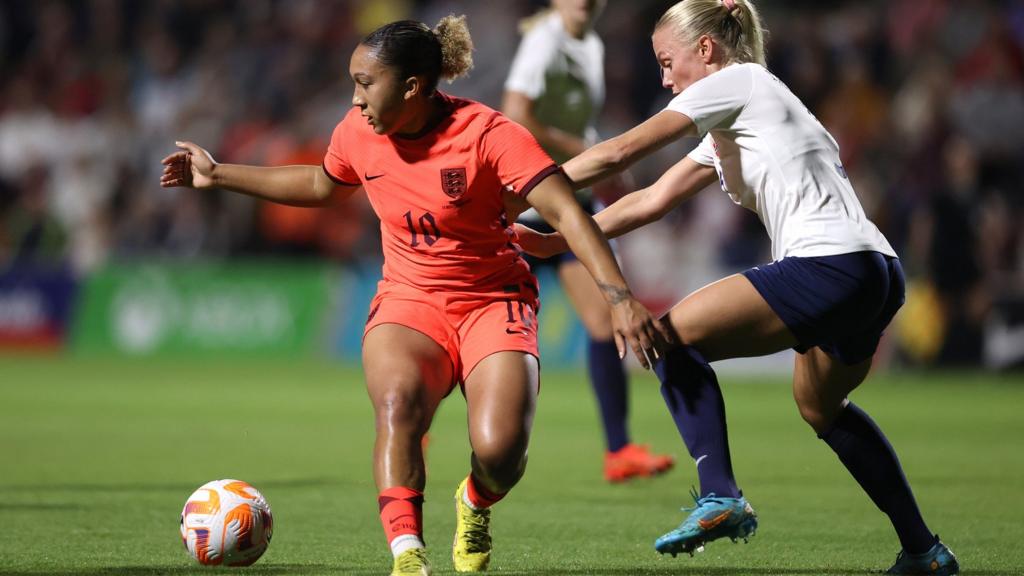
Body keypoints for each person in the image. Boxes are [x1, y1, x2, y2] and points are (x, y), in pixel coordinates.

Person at [160, 16, 668, 576]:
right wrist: (218, 175)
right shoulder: (358, 133)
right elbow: (320, 186)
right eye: (353, 83)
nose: (355, 99)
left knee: (500, 454)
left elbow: (568, 212)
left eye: (364, 83)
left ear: (413, 87)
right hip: (409, 298)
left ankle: (474, 501)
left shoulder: (487, 133)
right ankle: (409, 557)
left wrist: (619, 297)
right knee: (398, 406)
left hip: (493, 299)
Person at [514, 1, 959, 574]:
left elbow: (619, 152)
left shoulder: (737, 81)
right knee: (819, 406)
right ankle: (923, 550)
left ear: (706, 50)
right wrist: (560, 234)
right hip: (876, 271)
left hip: (827, 263)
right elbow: (650, 200)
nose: (664, 77)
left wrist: (516, 191)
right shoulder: (744, 109)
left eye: (668, 61)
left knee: (666, 340)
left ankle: (719, 494)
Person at [502, 0, 674, 483]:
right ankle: (420, 421)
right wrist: (592, 153)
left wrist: (594, 161)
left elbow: (573, 126)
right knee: (478, 321)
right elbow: (516, 114)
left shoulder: (590, 45)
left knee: (603, 320)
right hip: (529, 199)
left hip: (569, 199)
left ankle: (618, 450)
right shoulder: (546, 40)